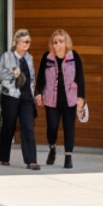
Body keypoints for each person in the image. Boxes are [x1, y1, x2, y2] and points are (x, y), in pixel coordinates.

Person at [36, 29, 85, 169]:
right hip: (51, 98)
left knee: (69, 127)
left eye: (61, 41)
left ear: (66, 42)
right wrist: (38, 93)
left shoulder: (74, 56)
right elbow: (40, 77)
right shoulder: (47, 57)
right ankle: (52, 148)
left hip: (69, 97)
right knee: (52, 126)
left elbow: (80, 78)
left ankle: (68, 156)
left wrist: (81, 97)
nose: (58, 45)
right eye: (55, 42)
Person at [0, 28, 39, 169]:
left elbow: (32, 77)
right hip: (10, 96)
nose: (27, 44)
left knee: (28, 126)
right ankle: (3, 157)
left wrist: (33, 94)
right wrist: (12, 74)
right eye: (25, 41)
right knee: (8, 126)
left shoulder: (29, 58)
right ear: (17, 42)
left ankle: (31, 160)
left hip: (26, 97)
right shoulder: (7, 56)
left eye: (29, 41)